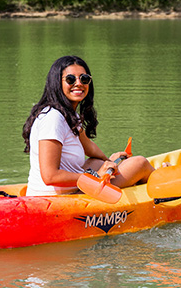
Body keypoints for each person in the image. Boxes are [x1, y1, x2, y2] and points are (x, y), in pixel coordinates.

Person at [23, 55, 154, 196]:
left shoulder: (69, 115)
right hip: (57, 198)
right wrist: (96, 176)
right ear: (57, 83)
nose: (79, 83)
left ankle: (144, 181)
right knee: (140, 163)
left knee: (95, 161)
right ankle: (162, 182)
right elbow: (50, 176)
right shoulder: (53, 118)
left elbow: (89, 147)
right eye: (70, 79)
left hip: (72, 189)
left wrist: (109, 161)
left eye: (84, 79)